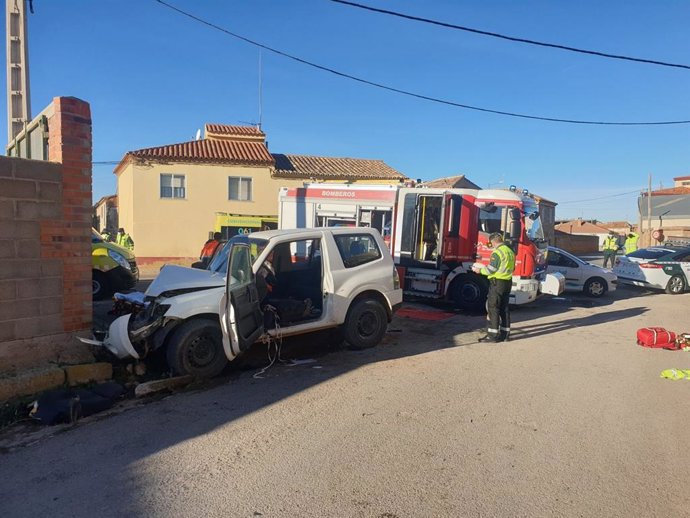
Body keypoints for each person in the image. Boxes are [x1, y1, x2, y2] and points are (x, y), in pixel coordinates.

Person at [472, 232, 516, 343]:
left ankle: (493, 335)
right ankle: (505, 335)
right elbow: (513, 268)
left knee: (493, 308)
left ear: (492, 242)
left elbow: (491, 269)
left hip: (497, 283)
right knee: (504, 308)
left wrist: (479, 270)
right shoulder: (510, 251)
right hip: (507, 282)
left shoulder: (497, 252)